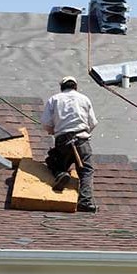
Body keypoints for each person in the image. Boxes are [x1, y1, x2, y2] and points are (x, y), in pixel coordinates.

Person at [41, 75, 99, 212]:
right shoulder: (84, 99)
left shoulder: (54, 99)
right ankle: (85, 201)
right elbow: (93, 123)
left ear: (62, 88)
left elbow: (45, 123)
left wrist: (53, 130)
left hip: (63, 141)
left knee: (53, 162)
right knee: (86, 170)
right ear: (76, 87)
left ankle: (61, 174)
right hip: (82, 140)